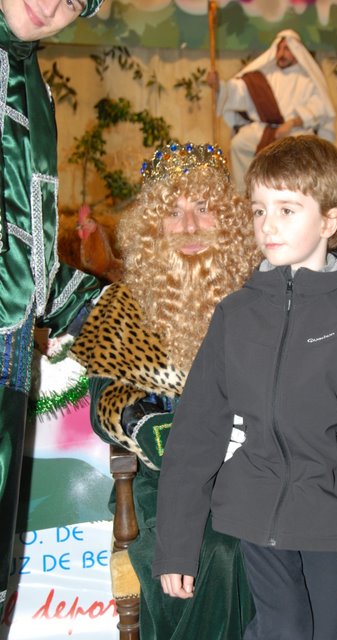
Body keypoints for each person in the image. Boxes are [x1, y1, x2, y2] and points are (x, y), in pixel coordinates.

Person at [153, 135, 337, 640]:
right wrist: (176, 547)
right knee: (285, 629)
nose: (267, 225)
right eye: (259, 210)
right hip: (254, 511)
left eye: (287, 210)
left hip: (336, 519)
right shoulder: (235, 315)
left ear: (330, 221)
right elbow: (196, 433)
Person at [70, 142, 258, 639]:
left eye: (203, 207)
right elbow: (107, 403)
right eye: (173, 212)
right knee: (221, 550)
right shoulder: (123, 303)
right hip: (162, 484)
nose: (190, 226)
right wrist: (167, 435)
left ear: (228, 218)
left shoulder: (260, 293)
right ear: (152, 226)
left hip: (259, 475)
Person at [0, 0, 104, 614]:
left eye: (75, 0)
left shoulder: (34, 87)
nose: (53, 3)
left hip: (10, 359)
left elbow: (30, 265)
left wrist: (115, 311)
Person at [207, 30, 336, 192]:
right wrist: (219, 85)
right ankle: (245, 193)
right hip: (264, 128)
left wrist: (292, 123)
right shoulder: (265, 75)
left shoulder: (308, 79)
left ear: (297, 52)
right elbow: (240, 91)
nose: (281, 53)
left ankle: (292, 194)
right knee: (239, 143)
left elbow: (319, 106)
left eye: (286, 49)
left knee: (299, 151)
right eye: (279, 48)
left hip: (295, 131)